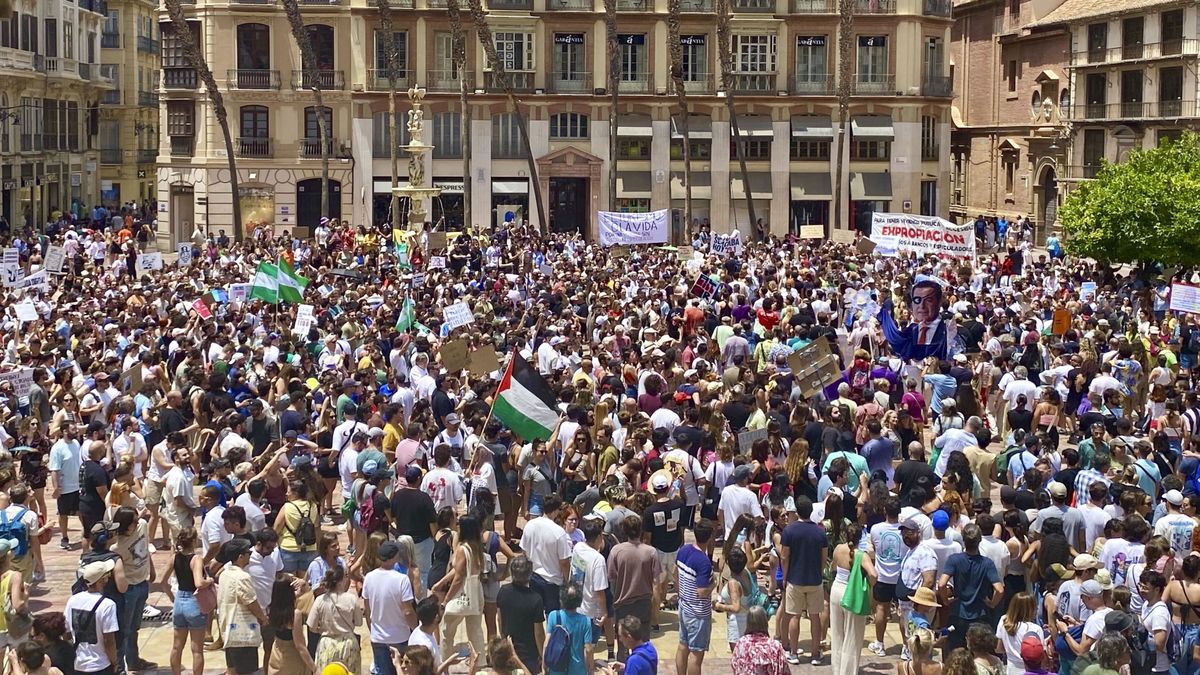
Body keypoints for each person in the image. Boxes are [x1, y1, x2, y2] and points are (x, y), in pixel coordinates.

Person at [779, 496, 827, 665]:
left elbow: (784, 557)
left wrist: (784, 577)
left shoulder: (789, 531)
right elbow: (824, 557)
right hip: (815, 580)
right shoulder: (820, 532)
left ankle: (793, 653)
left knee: (794, 616)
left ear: (797, 511)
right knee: (815, 617)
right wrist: (819, 573)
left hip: (794, 579)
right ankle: (815, 654)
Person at [362, 541, 419, 675]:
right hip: (400, 637)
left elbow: (367, 609)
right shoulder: (402, 580)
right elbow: (408, 610)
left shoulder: (369, 577)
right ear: (395, 557)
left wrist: (373, 631)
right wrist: (415, 629)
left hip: (378, 637)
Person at [216, 539, 268, 675]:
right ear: (240, 556)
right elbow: (251, 602)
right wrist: (263, 618)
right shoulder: (242, 577)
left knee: (232, 670)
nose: (250, 555)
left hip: (229, 632)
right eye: (248, 552)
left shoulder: (224, 574)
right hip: (243, 635)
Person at [829, 522, 875, 675]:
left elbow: (833, 568)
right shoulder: (862, 555)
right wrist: (868, 585)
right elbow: (874, 574)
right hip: (852, 593)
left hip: (836, 590)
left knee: (837, 633)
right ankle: (847, 672)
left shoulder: (837, 549)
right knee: (853, 636)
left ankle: (837, 670)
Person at [64, 560, 119, 675]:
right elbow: (109, 640)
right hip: (101, 665)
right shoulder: (108, 605)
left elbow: (66, 633)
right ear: (101, 580)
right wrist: (115, 662)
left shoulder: (73, 600)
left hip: (78, 664)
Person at [519, 494, 572, 613]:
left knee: (535, 617)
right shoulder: (559, 532)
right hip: (553, 582)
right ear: (555, 510)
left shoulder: (530, 525)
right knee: (553, 619)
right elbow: (564, 562)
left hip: (534, 577)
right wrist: (568, 582)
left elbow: (524, 551)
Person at [675, 518, 714, 675]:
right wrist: (714, 584)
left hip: (684, 606)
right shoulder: (704, 562)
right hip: (698, 613)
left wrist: (682, 593)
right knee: (696, 655)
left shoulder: (683, 550)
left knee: (683, 646)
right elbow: (702, 592)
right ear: (710, 537)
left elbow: (674, 573)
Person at [307, 566, 362, 674]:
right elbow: (359, 622)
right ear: (341, 580)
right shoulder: (351, 598)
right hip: (348, 643)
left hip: (327, 644)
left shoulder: (320, 600)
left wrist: (321, 630)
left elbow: (311, 626)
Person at [495, 555, 545, 674]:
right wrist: (542, 654)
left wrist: (504, 640)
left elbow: (499, 619)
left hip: (509, 648)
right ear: (529, 574)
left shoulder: (503, 591)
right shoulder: (535, 599)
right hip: (529, 654)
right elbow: (538, 633)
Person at [545, 583, 594, 675]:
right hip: (578, 670)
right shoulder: (585, 621)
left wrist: (545, 665)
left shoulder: (553, 616)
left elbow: (546, 644)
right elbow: (588, 649)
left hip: (556, 668)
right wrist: (591, 668)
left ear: (561, 600)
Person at [730, 606, 788, 675]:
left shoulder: (741, 643)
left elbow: (735, 665)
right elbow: (784, 670)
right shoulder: (775, 646)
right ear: (765, 622)